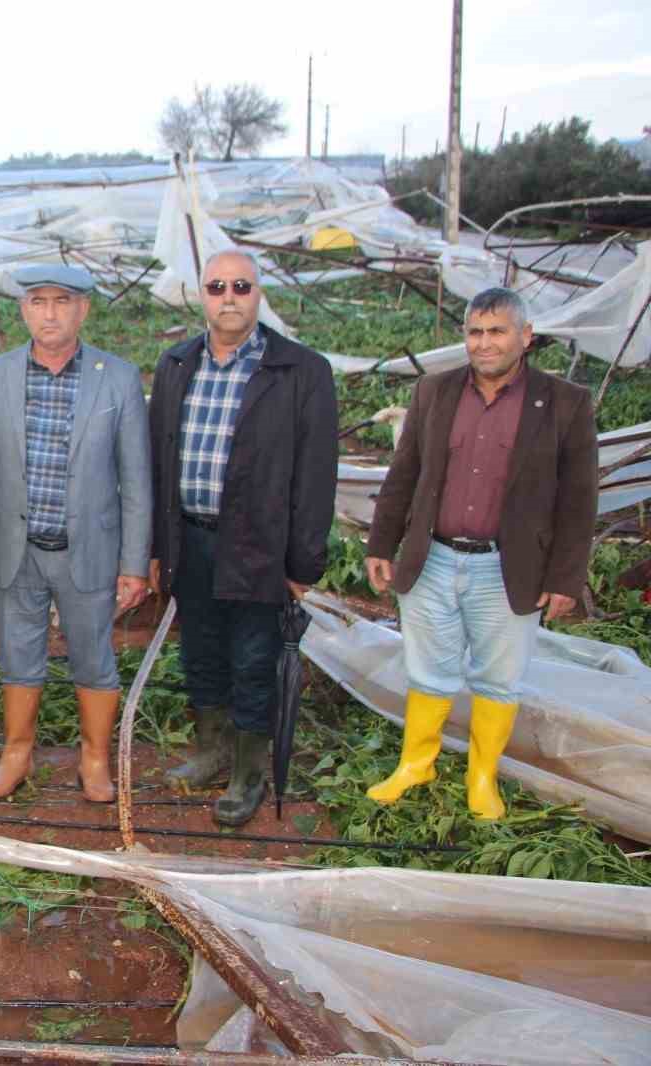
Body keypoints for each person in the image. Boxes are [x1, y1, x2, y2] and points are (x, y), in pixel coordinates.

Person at [364, 287, 598, 820]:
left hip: (506, 564)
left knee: (498, 675)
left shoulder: (564, 403)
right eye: (474, 331)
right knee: (428, 668)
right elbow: (404, 474)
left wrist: (565, 577)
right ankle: (416, 763)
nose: (484, 342)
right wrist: (382, 541)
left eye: (496, 331)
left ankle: (482, 774)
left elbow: (579, 499)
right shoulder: (435, 392)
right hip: (435, 556)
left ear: (525, 337)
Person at [149, 250, 338, 826]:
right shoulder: (177, 363)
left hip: (259, 544)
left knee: (253, 659)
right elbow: (161, 462)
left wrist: (303, 563)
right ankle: (213, 749)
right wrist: (159, 547)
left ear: (258, 293)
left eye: (240, 285)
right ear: (200, 296)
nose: (228, 296)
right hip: (191, 538)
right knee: (201, 651)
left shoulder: (300, 371)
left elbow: (315, 473)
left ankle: (248, 773)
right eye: (216, 286)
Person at [0, 264, 151, 802]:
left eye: (62, 302)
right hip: (14, 548)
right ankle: (16, 753)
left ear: (83, 310)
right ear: (23, 310)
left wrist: (134, 563)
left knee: (93, 654)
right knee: (18, 653)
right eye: (39, 301)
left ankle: (93, 759)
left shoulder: (115, 377)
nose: (50, 313)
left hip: (89, 549)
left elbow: (136, 478)